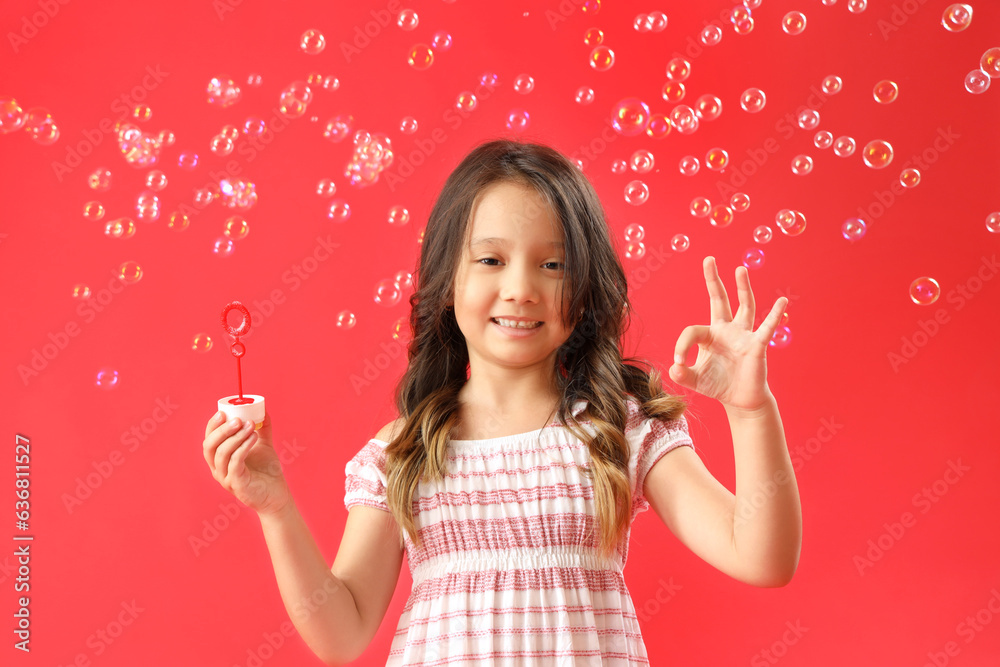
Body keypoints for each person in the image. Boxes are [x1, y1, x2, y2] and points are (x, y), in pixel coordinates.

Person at [202, 139, 801, 666]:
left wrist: (751, 411)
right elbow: (343, 632)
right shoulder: (402, 451)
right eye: (491, 259)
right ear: (447, 279)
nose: (520, 287)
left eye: (552, 264)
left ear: (585, 287)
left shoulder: (619, 430)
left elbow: (761, 557)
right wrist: (276, 507)